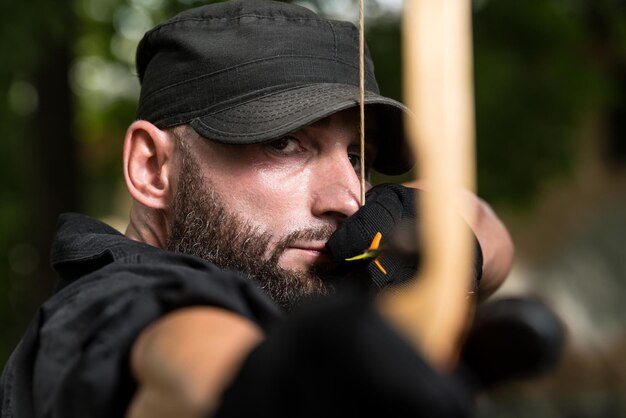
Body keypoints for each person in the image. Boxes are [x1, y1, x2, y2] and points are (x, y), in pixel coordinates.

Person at [0, 1, 517, 417]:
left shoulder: (303, 272)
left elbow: (484, 223)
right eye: (285, 144)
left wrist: (441, 241)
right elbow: (187, 365)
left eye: (359, 158)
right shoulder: (106, 305)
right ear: (153, 169)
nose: (345, 199)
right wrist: (281, 377)